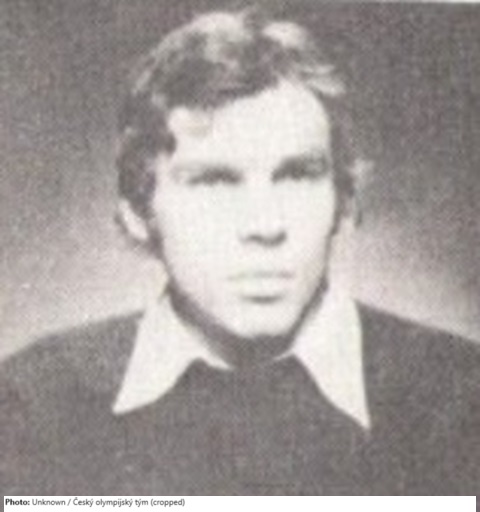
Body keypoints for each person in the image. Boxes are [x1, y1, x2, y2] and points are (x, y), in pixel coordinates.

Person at [1, 8, 479, 496]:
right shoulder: (30, 406)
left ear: (345, 200)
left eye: (298, 175)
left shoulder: (464, 397)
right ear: (138, 212)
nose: (264, 225)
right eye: (213, 181)